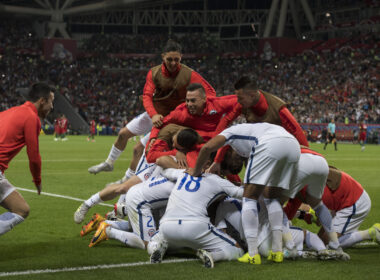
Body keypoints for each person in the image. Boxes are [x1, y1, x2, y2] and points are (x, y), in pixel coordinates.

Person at [87, 39, 216, 183]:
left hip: (169, 120)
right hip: (154, 113)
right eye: (169, 59)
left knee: (138, 149)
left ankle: (126, 180)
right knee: (123, 134)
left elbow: (211, 92)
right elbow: (147, 96)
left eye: (176, 59)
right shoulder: (154, 73)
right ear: (162, 57)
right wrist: (153, 114)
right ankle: (109, 163)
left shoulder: (189, 74)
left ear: (181, 57)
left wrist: (198, 108)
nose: (173, 63)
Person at [188, 123, 300, 264]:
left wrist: (196, 171)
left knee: (249, 198)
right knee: (271, 198)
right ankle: (277, 252)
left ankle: (253, 254)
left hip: (270, 144)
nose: (239, 158)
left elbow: (207, 147)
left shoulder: (230, 132)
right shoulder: (252, 134)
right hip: (293, 146)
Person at [74, 127, 201, 224]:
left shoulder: (189, 145)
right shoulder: (168, 126)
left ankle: (113, 218)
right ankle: (88, 204)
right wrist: (178, 160)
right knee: (124, 188)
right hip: (151, 162)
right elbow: (153, 157)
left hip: (163, 170)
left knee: (154, 215)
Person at [154, 167, 245, 268]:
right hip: (195, 225)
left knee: (153, 240)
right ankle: (212, 255)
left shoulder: (184, 173)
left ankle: (157, 247)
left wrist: (184, 169)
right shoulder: (218, 180)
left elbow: (165, 171)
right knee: (238, 250)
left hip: (167, 225)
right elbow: (242, 194)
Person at [0, 82, 55, 236]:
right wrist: (37, 181)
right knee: (20, 210)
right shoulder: (31, 118)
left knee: (21, 209)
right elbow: (34, 156)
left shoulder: (9, 111)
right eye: (51, 101)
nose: (52, 107)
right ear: (42, 100)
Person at [284, 166, 380, 249]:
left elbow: (319, 218)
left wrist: (306, 216)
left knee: (328, 242)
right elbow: (291, 210)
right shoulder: (301, 180)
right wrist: (303, 215)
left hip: (353, 202)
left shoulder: (306, 189)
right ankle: (347, 232)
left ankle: (371, 233)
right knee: (320, 239)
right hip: (345, 200)